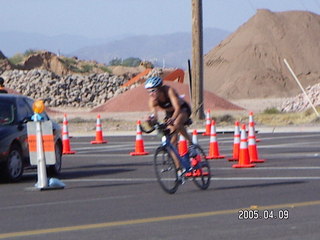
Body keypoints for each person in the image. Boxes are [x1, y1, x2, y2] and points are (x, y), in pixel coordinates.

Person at [144, 76, 197, 176]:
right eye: (149, 92)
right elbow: (154, 115)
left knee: (176, 123)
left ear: (159, 88)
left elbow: (177, 108)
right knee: (170, 144)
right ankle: (179, 169)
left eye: (153, 91)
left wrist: (172, 119)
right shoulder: (152, 100)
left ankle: (190, 143)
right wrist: (150, 121)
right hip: (169, 114)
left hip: (182, 109)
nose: (151, 94)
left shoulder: (169, 91)